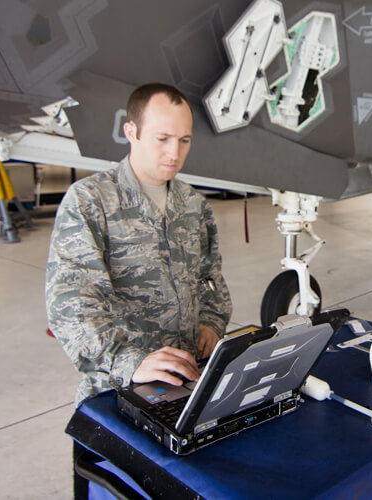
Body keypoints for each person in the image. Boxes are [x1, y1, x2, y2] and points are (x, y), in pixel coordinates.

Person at [46, 83, 233, 406]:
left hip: (188, 381)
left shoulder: (192, 203)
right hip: (121, 390)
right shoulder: (92, 201)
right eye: (162, 139)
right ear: (131, 131)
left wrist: (211, 322)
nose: (175, 153)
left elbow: (210, 277)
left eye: (184, 140)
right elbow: (71, 303)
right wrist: (126, 361)